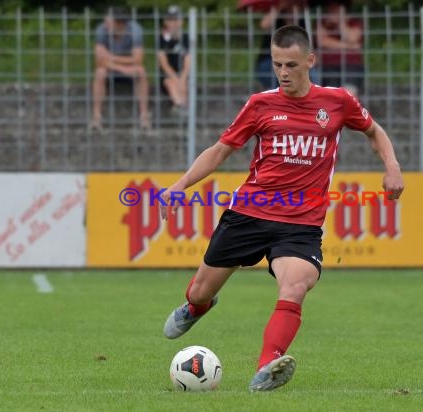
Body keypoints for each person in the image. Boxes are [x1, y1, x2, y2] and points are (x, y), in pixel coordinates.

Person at [160, 25, 404, 391]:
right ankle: (196, 308)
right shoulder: (261, 104)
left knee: (296, 286)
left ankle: (267, 366)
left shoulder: (337, 102)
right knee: (199, 291)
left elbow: (374, 131)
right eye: (277, 64)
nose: (284, 73)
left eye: (291, 64)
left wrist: (393, 168)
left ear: (310, 60)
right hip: (249, 214)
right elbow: (220, 150)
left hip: (300, 226)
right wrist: (180, 185)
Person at [91, 7, 150, 131]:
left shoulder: (135, 31)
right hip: (113, 69)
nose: (105, 24)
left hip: (128, 67)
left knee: (141, 71)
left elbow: (138, 59)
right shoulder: (102, 30)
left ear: (118, 23)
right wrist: (122, 67)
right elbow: (99, 61)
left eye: (109, 22)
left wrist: (110, 58)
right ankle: (96, 117)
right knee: (99, 72)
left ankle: (144, 116)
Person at [255, 0, 318, 90]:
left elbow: (309, 47)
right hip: (271, 59)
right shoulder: (276, 16)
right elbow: (264, 25)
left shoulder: (303, 20)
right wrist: (279, 6)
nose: (291, 5)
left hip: (296, 59)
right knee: (274, 73)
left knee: (312, 73)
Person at [316, 1, 364, 94]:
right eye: (331, 10)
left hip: (351, 65)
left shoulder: (353, 22)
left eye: (336, 10)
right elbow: (322, 41)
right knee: (331, 93)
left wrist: (341, 23)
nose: (332, 12)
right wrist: (350, 46)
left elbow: (352, 38)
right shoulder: (323, 23)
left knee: (350, 92)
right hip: (328, 65)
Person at [157, 5, 190, 113]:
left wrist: (183, 78)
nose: (174, 23)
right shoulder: (161, 38)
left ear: (182, 21)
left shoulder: (186, 37)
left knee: (185, 83)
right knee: (170, 82)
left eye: (176, 19)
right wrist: (177, 79)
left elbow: (188, 61)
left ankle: (182, 106)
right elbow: (163, 63)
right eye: (170, 19)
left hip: (183, 74)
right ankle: (180, 105)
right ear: (165, 21)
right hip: (167, 75)